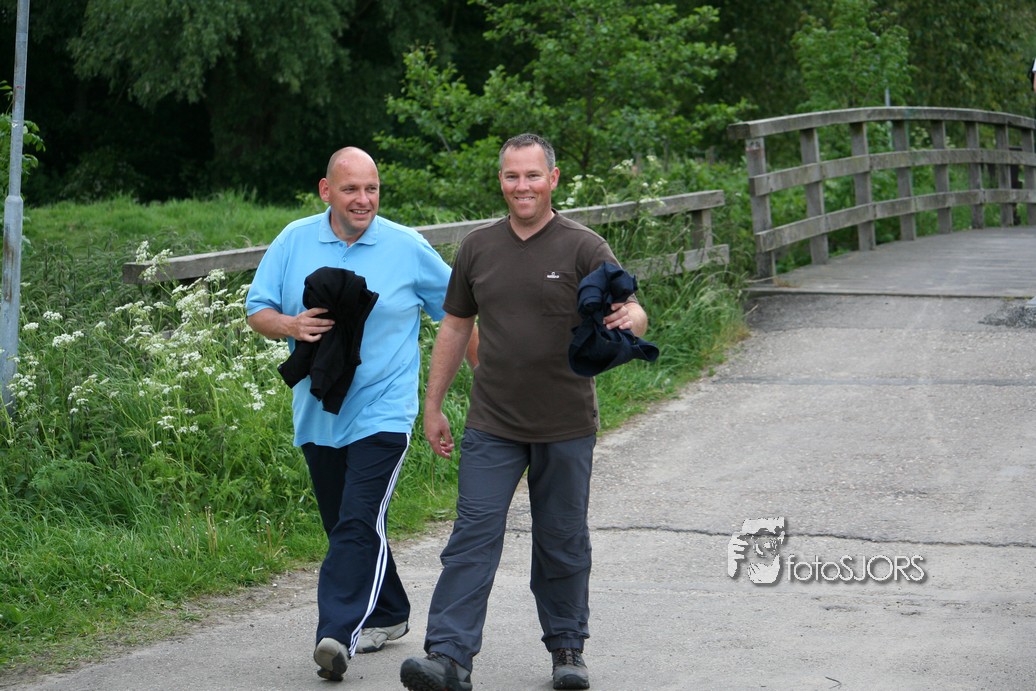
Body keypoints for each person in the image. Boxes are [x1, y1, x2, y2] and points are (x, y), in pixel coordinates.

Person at [400, 133, 649, 691]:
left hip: (565, 423)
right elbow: (455, 326)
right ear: (501, 181)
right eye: (512, 176)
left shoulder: (584, 247)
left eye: (533, 175)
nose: (523, 186)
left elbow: (633, 308)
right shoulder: (478, 247)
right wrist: (433, 404)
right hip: (493, 422)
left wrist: (630, 320)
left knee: (561, 539)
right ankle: (448, 656)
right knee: (472, 535)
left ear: (552, 179)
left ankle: (567, 650)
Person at [246, 147, 474, 682]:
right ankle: (390, 610)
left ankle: (337, 633)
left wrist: (484, 387)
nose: (364, 199)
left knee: (356, 518)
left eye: (372, 189)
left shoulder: (406, 246)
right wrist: (291, 326)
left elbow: (458, 314)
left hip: (385, 409)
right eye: (351, 189)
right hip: (318, 408)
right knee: (345, 522)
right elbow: (257, 310)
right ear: (326, 191)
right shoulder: (294, 239)